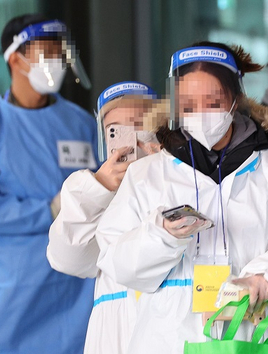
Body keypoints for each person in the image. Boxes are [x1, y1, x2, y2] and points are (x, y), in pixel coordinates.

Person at [94, 42, 268, 353]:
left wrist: (266, 277)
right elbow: (116, 260)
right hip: (166, 341)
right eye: (188, 104)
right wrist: (161, 237)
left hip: (254, 339)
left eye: (212, 102)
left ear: (236, 100)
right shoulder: (147, 176)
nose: (200, 114)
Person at [0, 14, 97, 353]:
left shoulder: (80, 124)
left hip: (75, 281)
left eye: (60, 52)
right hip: (12, 283)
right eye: (47, 51)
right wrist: (49, 209)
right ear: (15, 58)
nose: (57, 61)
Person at [47, 81, 164, 353]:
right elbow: (68, 258)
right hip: (116, 333)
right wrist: (99, 187)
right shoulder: (92, 194)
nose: (131, 139)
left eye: (141, 126)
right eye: (116, 131)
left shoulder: (184, 177)